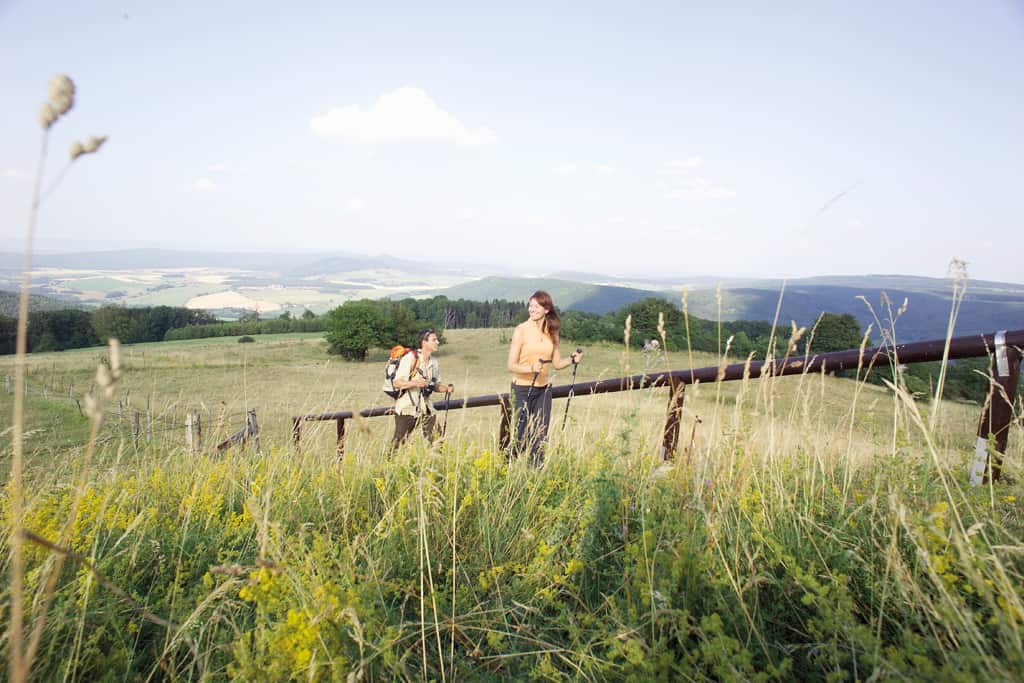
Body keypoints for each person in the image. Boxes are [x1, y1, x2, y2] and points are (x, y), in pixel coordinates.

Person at [506, 291, 583, 465]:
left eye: (536, 306)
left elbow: (556, 363)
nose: (531, 309)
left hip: (543, 390)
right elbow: (511, 365)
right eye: (530, 305)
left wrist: (572, 360)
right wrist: (531, 368)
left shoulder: (552, 331)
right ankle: (507, 468)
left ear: (546, 309)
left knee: (541, 434)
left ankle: (535, 473)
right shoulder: (521, 330)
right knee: (521, 435)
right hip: (521, 388)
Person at [390, 328, 454, 451]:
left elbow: (434, 385)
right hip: (407, 407)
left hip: (426, 408)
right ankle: (388, 467)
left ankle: (436, 465)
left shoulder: (434, 362)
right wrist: (415, 383)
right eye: (434, 340)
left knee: (437, 440)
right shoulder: (410, 358)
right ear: (424, 343)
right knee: (398, 443)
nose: (437, 342)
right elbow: (396, 383)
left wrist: (446, 388)